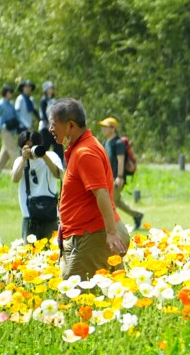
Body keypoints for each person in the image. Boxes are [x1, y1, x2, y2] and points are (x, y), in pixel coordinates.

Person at [47, 98, 129, 280]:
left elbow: (101, 193)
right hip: (91, 234)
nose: (50, 129)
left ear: (71, 125)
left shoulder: (85, 152)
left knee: (76, 294)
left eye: (53, 124)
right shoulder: (82, 147)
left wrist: (111, 233)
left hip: (92, 236)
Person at [11, 130, 63, 241]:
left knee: (53, 249)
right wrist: (23, 159)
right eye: (27, 147)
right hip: (29, 216)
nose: (31, 150)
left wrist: (44, 156)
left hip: (50, 214)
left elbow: (58, 175)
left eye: (33, 146)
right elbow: (15, 178)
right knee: (28, 250)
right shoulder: (20, 161)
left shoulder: (51, 156)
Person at [98, 117, 144, 232]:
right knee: (116, 201)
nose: (103, 129)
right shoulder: (105, 142)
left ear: (113, 128)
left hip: (116, 179)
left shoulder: (118, 143)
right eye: (103, 127)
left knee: (108, 203)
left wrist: (119, 177)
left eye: (106, 127)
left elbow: (121, 161)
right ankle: (137, 215)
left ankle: (109, 228)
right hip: (107, 178)